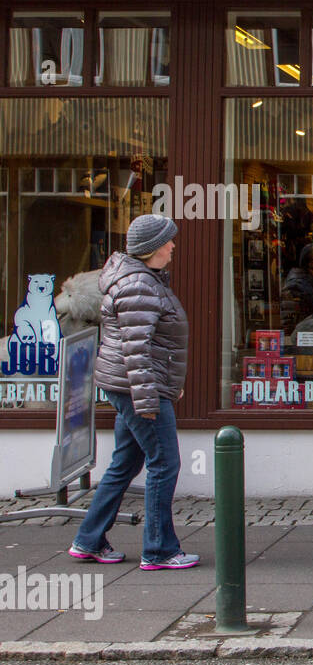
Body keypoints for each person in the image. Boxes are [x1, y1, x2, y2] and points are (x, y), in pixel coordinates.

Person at [68, 214, 198, 570]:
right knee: (164, 463)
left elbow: (150, 346)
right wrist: (150, 401)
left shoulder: (142, 279)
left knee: (125, 462)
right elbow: (135, 350)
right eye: (169, 241)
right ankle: (159, 550)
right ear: (153, 247)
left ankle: (89, 539)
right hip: (137, 390)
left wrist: (169, 384)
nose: (173, 246)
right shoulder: (139, 285)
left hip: (136, 386)